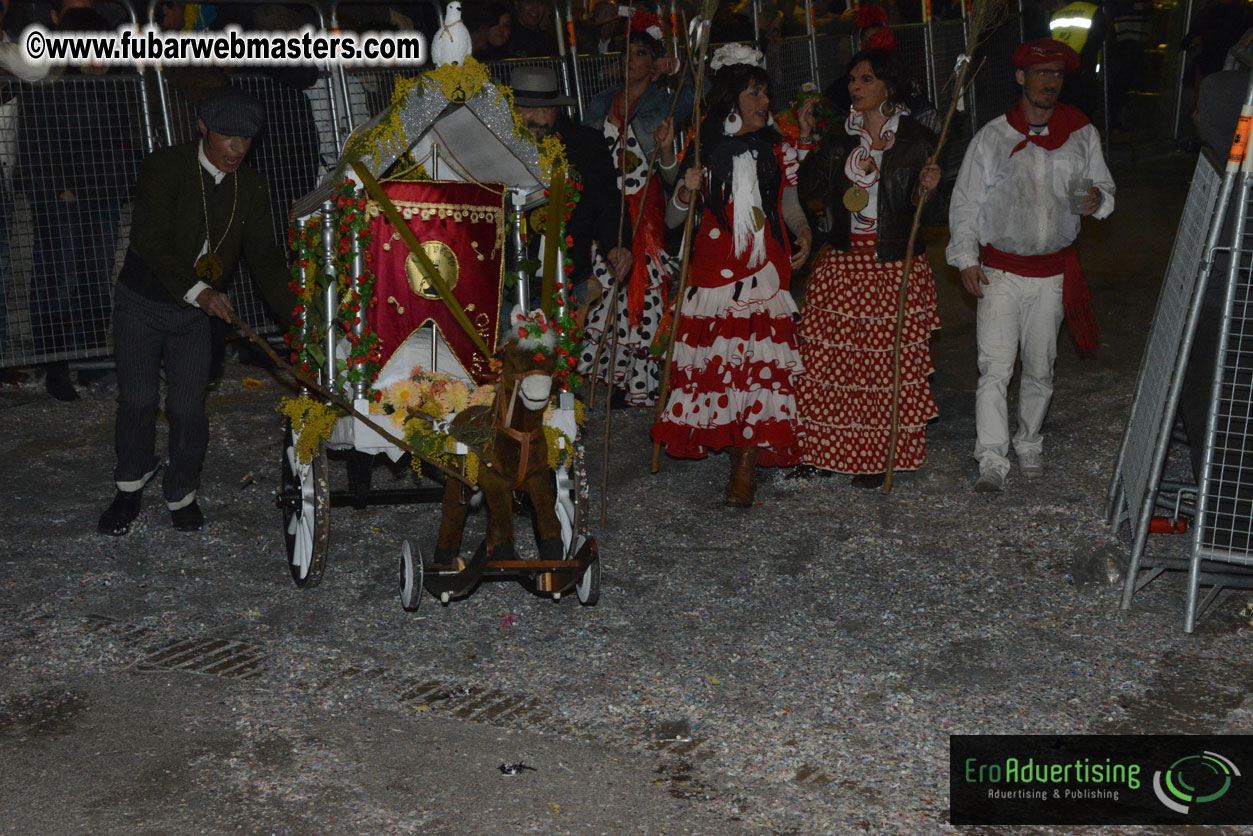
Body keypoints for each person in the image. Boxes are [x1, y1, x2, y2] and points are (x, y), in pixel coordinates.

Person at [97, 88, 296, 535]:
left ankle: (181, 491)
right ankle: (129, 486)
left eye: (247, 138)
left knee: (188, 406)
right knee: (139, 399)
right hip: (142, 303)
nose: (238, 149)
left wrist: (298, 319)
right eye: (228, 137)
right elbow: (149, 241)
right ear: (203, 128)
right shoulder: (164, 167)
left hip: (195, 318)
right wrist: (199, 290)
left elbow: (265, 259)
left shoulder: (253, 187)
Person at [946, 38, 1115, 492]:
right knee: (995, 369)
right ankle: (991, 459)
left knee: (1041, 367)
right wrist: (965, 257)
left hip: (1053, 273)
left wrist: (1098, 200)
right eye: (1041, 73)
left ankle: (1029, 440)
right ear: (1021, 78)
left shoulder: (1081, 133)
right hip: (1000, 272)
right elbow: (965, 203)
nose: (1050, 82)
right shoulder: (993, 137)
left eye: (1057, 74)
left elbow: (1105, 192)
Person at [651, 44, 814, 506]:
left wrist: (803, 233)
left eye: (765, 91)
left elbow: (789, 204)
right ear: (731, 97)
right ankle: (730, 447)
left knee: (759, 371)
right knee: (723, 372)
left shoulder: (778, 146)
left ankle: (744, 468)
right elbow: (674, 221)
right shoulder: (703, 142)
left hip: (765, 269)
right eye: (754, 92)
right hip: (715, 273)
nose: (764, 101)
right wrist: (685, 188)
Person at [793, 48, 943, 488]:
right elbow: (807, 189)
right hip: (842, 261)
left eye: (866, 79)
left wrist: (929, 191)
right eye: (853, 80)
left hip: (893, 266)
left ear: (888, 87)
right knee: (825, 364)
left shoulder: (916, 139)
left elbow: (928, 218)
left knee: (881, 369)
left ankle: (877, 456)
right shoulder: (840, 136)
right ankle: (820, 451)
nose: (855, 87)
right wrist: (808, 140)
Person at [578, 8, 693, 407]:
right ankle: (607, 377)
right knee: (607, 291)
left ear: (655, 64)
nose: (631, 60)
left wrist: (678, 67)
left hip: (645, 210)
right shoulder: (598, 104)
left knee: (642, 294)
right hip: (607, 210)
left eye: (642, 53)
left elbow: (698, 93)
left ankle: (639, 381)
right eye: (626, 52)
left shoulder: (665, 102)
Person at [510, 67, 632, 312]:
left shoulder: (584, 144)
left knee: (567, 349)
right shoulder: (497, 147)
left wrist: (616, 244)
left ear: (557, 109)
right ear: (512, 109)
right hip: (510, 287)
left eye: (546, 109)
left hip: (569, 282)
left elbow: (607, 201)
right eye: (528, 109)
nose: (538, 118)